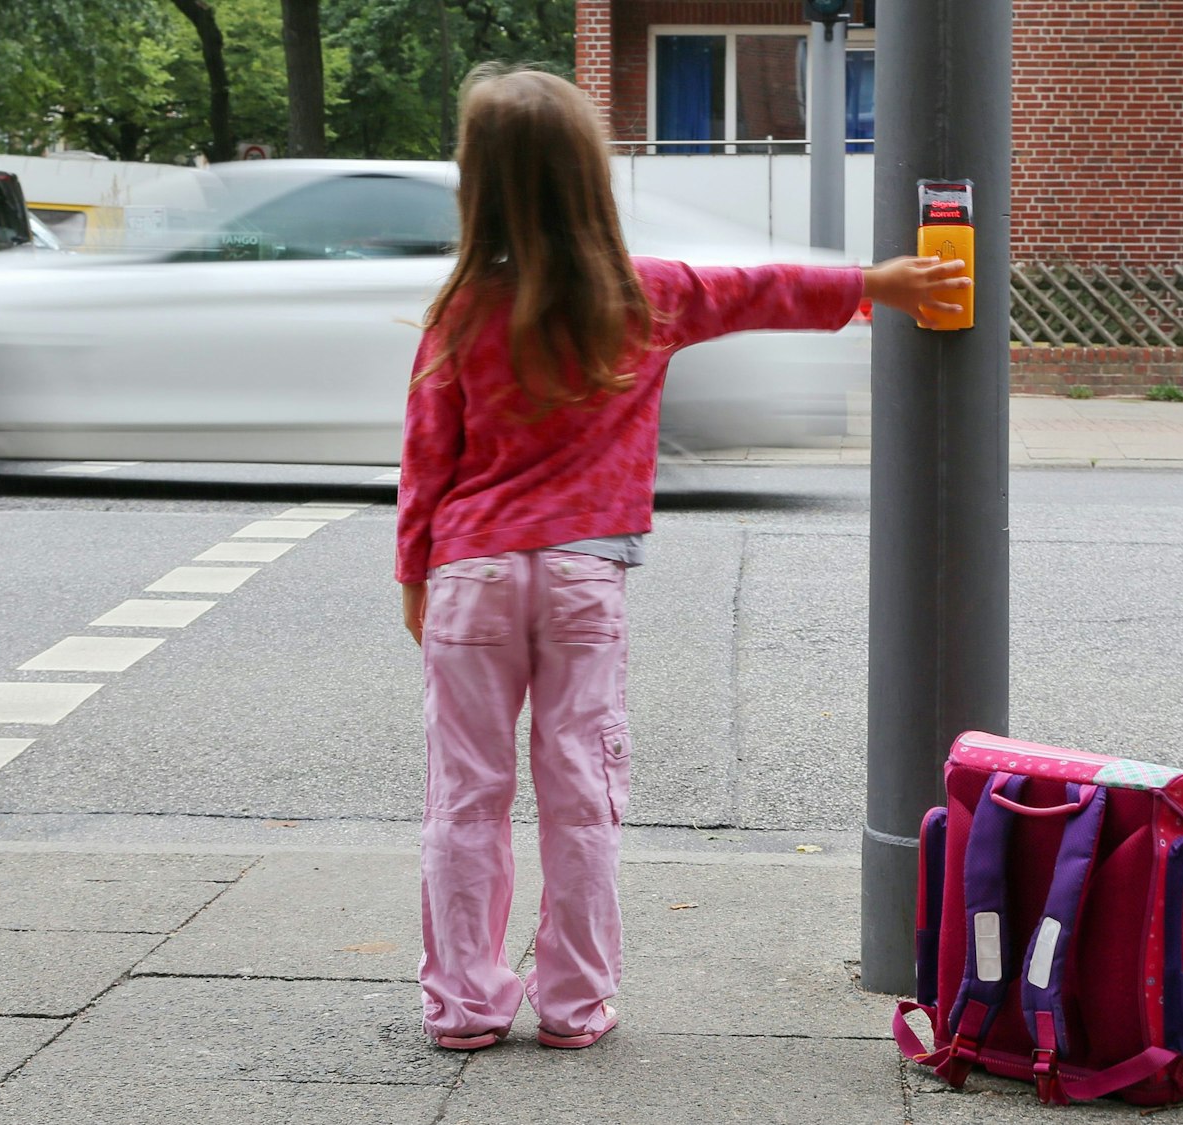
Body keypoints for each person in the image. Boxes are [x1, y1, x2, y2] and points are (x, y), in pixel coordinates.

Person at [396, 64, 970, 1052]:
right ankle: (573, 1005)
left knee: (466, 799)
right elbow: (756, 290)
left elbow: (424, 458)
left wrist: (414, 577)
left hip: (471, 576)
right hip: (582, 580)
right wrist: (876, 285)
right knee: (580, 796)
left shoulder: (457, 312)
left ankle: (464, 1004)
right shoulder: (645, 296)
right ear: (587, 176)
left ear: (474, 181)